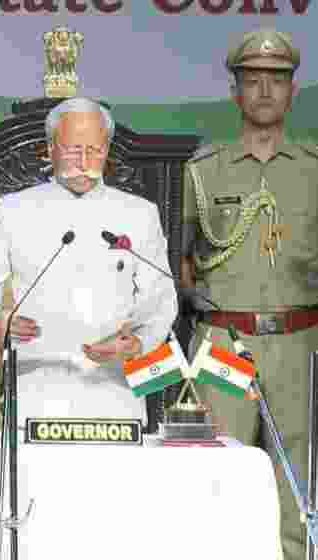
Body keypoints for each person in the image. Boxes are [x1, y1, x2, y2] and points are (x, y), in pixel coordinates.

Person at [181, 29, 318, 560]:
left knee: (298, 474)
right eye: (252, 80)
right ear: (235, 91)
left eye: (276, 81)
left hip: (297, 340)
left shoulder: (313, 171)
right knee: (217, 471)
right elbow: (185, 257)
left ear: (293, 92)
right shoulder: (204, 169)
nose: (264, 91)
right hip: (223, 342)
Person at [0, 97, 177, 425]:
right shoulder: (14, 209)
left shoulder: (139, 214)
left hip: (115, 390)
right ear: (50, 149)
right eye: (73, 149)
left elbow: (161, 300)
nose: (85, 161)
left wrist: (139, 343)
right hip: (35, 389)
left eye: (96, 150)